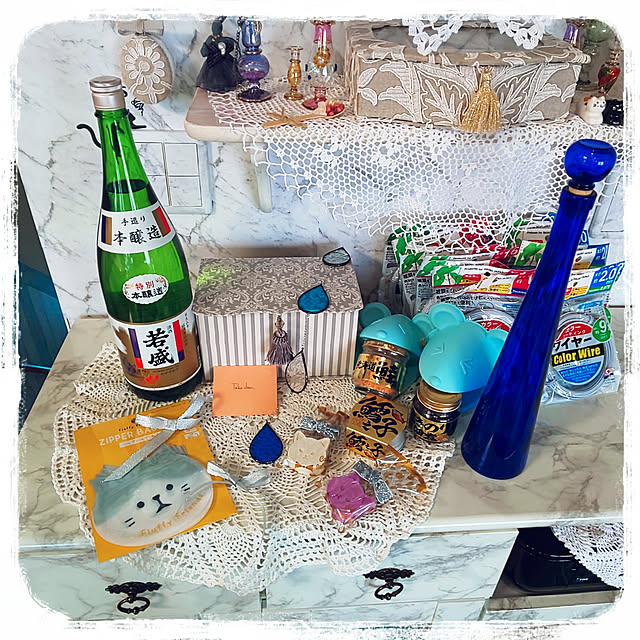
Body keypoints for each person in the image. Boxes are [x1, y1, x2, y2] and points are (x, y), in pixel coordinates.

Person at [196, 16, 242, 93]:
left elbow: (204, 53)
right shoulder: (226, 40)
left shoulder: (210, 40)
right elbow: (232, 47)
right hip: (226, 62)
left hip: (212, 63)